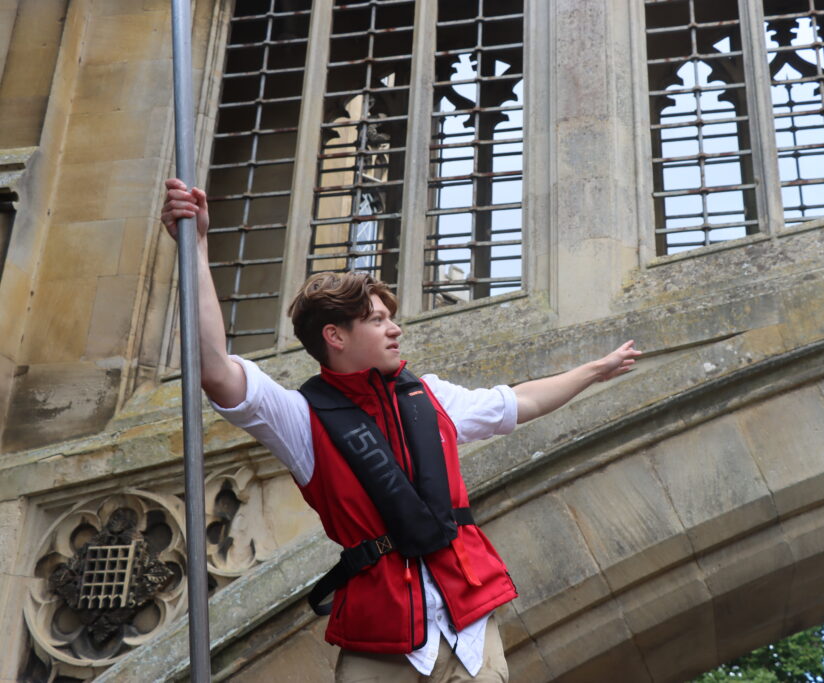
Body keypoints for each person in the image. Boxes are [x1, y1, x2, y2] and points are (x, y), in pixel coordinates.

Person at [161, 179, 641, 682]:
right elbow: (215, 369)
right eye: (377, 320)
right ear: (335, 336)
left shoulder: (430, 396)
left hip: (470, 627)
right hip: (383, 640)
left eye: (390, 318)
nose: (395, 329)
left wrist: (594, 371)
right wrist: (195, 246)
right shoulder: (300, 420)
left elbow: (519, 401)